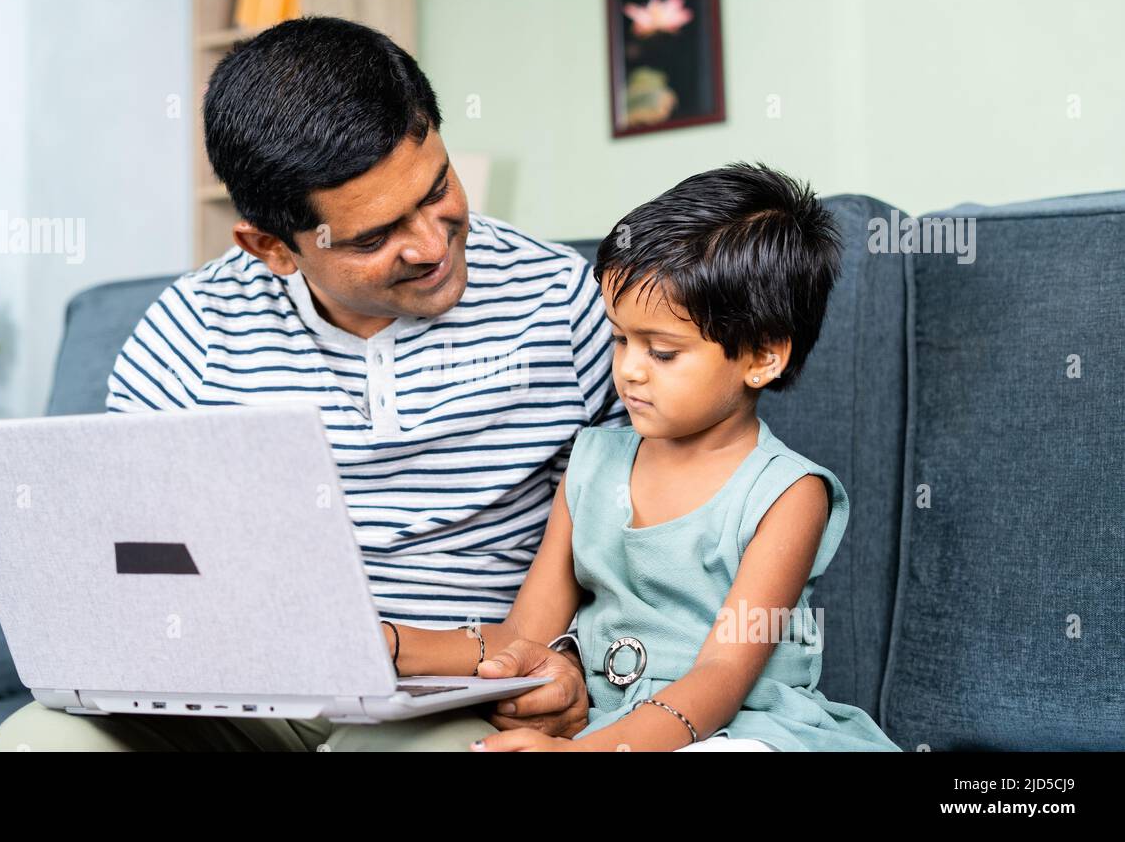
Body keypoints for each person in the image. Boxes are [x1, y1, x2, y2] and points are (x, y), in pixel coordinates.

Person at [0, 16, 626, 752]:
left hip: (464, 690)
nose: (430, 244)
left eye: (437, 188)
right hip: (245, 692)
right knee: (38, 745)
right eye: (374, 236)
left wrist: (568, 661)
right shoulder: (185, 336)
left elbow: (653, 524)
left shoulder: (565, 303)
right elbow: (130, 571)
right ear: (271, 248)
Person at [383, 163, 903, 751]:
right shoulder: (593, 461)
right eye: (620, 338)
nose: (629, 369)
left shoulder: (787, 493)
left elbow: (721, 675)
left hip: (741, 728)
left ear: (761, 357)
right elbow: (524, 632)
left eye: (662, 351)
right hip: (611, 725)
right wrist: (388, 642)